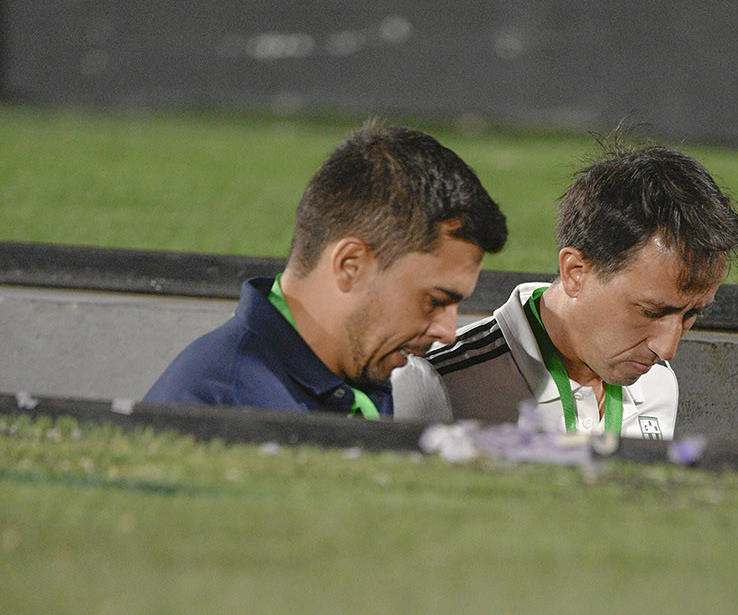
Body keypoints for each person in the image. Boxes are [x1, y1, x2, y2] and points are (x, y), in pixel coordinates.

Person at [398, 138, 738, 437]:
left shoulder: (658, 387)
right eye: (651, 311)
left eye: (691, 314)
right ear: (575, 272)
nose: (667, 348)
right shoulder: (440, 386)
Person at [143, 123, 507, 417]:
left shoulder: (357, 368)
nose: (447, 332)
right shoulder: (221, 409)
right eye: (433, 301)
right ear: (351, 265)